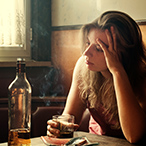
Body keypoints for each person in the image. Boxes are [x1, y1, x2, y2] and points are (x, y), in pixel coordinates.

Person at [47, 10, 146, 143]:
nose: (86, 52)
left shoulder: (142, 75)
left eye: (99, 48)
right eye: (88, 43)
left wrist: (117, 71)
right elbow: (70, 116)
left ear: (123, 53)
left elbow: (134, 136)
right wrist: (59, 127)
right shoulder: (84, 65)